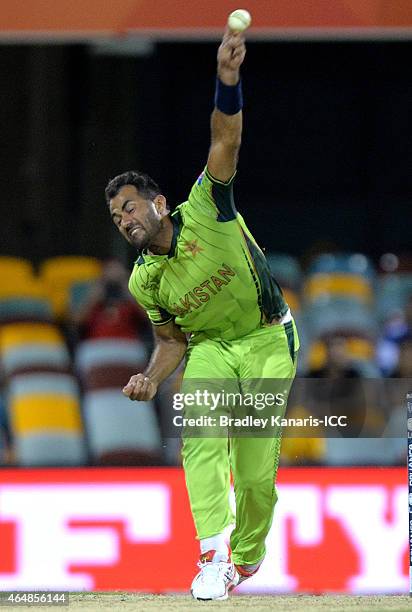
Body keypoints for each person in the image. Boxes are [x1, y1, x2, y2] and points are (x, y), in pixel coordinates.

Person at [105, 26, 299, 601]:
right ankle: (211, 555)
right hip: (211, 347)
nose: (123, 218)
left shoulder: (208, 205)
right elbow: (172, 341)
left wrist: (228, 80)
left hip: (267, 339)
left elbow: (226, 143)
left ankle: (246, 555)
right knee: (203, 438)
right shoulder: (145, 279)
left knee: (258, 474)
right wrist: (150, 376)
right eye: (116, 216)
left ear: (159, 203)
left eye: (130, 206)